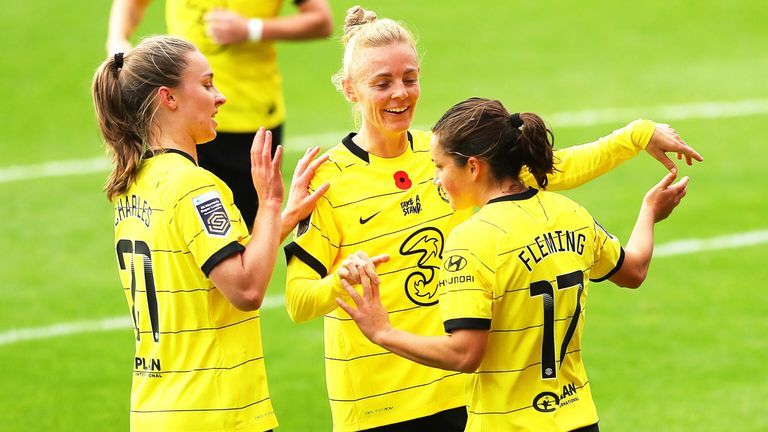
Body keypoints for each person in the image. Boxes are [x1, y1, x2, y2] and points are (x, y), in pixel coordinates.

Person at [283, 6, 703, 431]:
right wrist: (344, 280)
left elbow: (547, 168)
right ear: (350, 90)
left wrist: (634, 136)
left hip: (459, 389)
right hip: (375, 406)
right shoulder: (327, 180)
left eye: (410, 78)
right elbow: (298, 302)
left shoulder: (445, 156)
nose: (401, 94)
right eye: (382, 83)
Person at [337, 97, 691, 431]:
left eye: (440, 167)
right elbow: (634, 271)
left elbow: (464, 354)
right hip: (580, 420)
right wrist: (649, 213)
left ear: (473, 167)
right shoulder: (569, 212)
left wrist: (382, 331)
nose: (435, 180)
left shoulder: (471, 240)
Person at [92, 35, 328, 431]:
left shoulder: (134, 185)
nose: (220, 97)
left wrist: (281, 220)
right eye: (206, 84)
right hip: (216, 411)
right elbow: (246, 289)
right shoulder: (195, 186)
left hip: (156, 411)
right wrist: (268, 202)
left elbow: (206, 267)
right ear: (168, 98)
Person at [106, 0, 333, 229]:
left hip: (250, 122)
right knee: (178, 229)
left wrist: (251, 29)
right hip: (179, 120)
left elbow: (321, 20)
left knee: (243, 235)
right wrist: (117, 41)